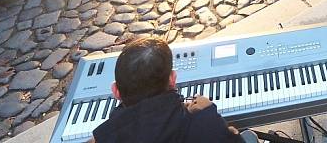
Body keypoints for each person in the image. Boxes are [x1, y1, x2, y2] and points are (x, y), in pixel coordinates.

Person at [90, 36, 249, 143]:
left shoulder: (104, 136)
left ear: (115, 91)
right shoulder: (206, 122)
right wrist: (214, 119)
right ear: (172, 80)